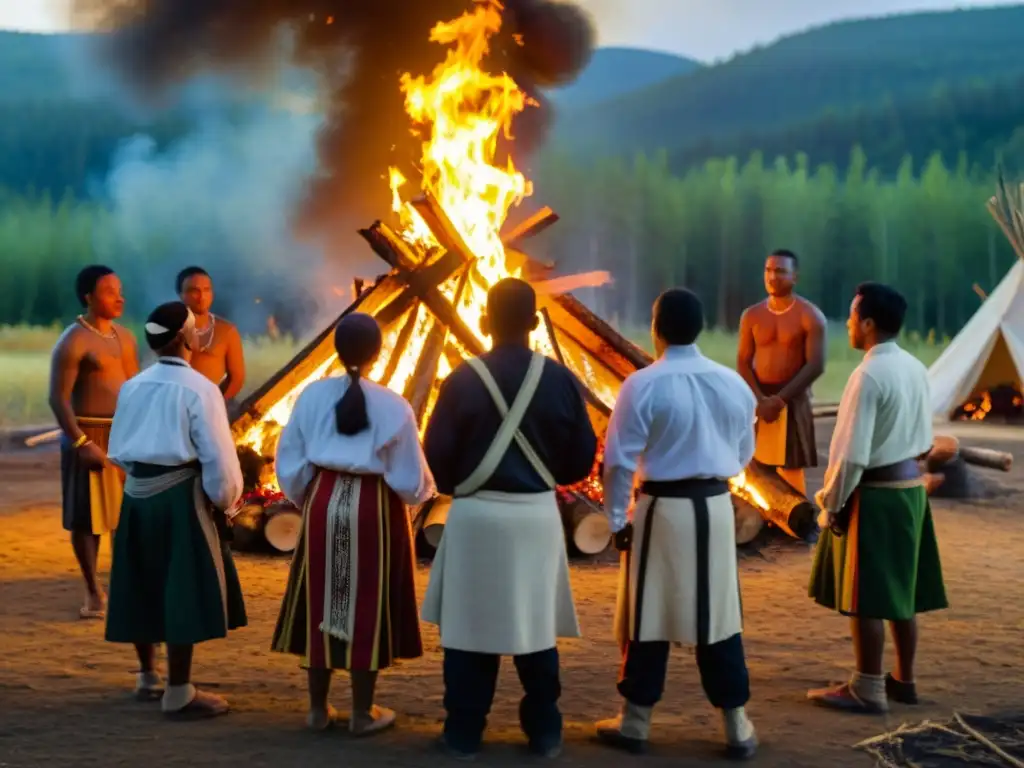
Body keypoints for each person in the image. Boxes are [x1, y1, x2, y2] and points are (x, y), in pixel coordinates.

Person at [421, 278, 598, 760]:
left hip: (476, 516)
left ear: (484, 322)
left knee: (469, 629)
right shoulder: (559, 379)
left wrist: (469, 481)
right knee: (534, 628)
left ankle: (463, 732)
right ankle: (544, 732)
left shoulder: (461, 378)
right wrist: (544, 474)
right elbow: (582, 459)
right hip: (536, 518)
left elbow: (437, 457)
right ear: (534, 323)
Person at [595, 288, 758, 760]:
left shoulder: (643, 384)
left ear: (656, 327)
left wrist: (616, 518)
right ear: (701, 327)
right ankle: (737, 727)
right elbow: (744, 452)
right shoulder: (732, 384)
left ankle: (636, 722)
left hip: (662, 510)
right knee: (719, 616)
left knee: (649, 615)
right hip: (714, 508)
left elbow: (620, 462)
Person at [271, 312, 435, 735]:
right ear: (378, 353)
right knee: (368, 603)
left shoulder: (310, 397)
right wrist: (416, 499)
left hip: (324, 501)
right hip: (373, 509)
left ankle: (316, 709)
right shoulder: (393, 404)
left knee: (321, 601)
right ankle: (362, 713)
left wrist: (311, 497)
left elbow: (290, 462)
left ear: (336, 349)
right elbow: (411, 479)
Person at [807, 282, 947, 713]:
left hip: (877, 495)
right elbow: (925, 439)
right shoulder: (915, 368)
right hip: (910, 492)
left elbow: (850, 455)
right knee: (899, 591)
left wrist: (830, 503)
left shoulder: (867, 374)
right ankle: (903, 680)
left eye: (851, 316)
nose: (848, 323)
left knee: (867, 593)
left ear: (867, 324)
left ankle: (867, 687)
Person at [105, 301, 247, 717]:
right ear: (186, 338)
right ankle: (179, 691)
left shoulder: (133, 385)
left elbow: (119, 450)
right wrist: (226, 500)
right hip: (179, 494)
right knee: (180, 585)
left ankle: (148, 677)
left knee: (141, 578)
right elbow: (219, 457)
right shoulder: (200, 388)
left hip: (136, 493)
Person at [49, 264, 140, 619]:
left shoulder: (126, 337)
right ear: (88, 296)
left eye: (120, 289)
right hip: (87, 435)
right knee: (88, 519)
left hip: (122, 435)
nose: (119, 297)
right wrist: (81, 441)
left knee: (124, 517)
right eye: (109, 291)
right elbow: (57, 399)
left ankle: (123, 587)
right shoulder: (72, 340)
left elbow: (134, 387)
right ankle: (93, 591)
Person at [737, 249, 826, 500]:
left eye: (780, 271)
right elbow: (743, 362)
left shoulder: (810, 315)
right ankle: (760, 518)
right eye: (768, 270)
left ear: (794, 276)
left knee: (791, 466)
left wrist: (780, 400)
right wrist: (760, 399)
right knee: (755, 466)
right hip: (758, 398)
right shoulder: (752, 315)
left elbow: (816, 364)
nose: (773, 276)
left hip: (793, 398)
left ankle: (796, 521)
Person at [176, 266, 246, 403]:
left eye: (206, 290)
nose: (202, 297)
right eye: (194, 291)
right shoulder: (169, 329)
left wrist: (215, 405)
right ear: (181, 294)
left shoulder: (226, 331)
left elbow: (237, 378)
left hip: (212, 408)